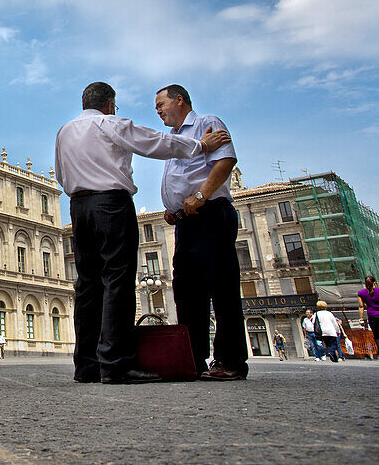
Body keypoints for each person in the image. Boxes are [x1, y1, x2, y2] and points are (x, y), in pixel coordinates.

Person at [54, 81, 230, 385]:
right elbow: (155, 142)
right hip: (110, 204)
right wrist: (200, 146)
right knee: (117, 281)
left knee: (88, 285)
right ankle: (115, 363)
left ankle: (87, 364)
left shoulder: (65, 131)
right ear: (110, 104)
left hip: (78, 208)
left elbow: (59, 173)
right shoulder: (110, 123)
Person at [156, 85, 247, 382]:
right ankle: (193, 359)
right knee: (186, 291)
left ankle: (230, 360)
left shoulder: (208, 123)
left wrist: (201, 196)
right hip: (185, 221)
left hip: (209, 214)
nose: (158, 110)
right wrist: (172, 206)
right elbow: (179, 177)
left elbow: (225, 161)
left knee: (221, 288)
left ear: (179, 100)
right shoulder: (174, 139)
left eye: (161, 104)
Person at [358, 275, 379, 346]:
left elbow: (361, 306)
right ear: (374, 283)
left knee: (376, 335)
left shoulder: (361, 293)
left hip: (372, 317)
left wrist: (361, 318)